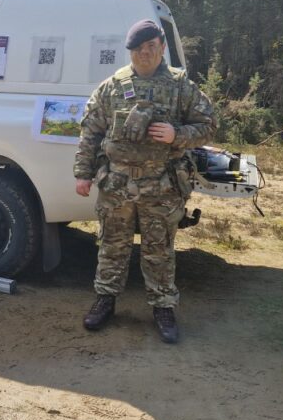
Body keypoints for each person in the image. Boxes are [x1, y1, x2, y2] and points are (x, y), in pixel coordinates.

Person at [74, 19, 216, 343]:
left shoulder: (181, 86)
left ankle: (163, 306)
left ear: (162, 48)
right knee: (112, 245)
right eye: (139, 49)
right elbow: (90, 131)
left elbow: (209, 125)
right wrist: (82, 174)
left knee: (159, 249)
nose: (145, 54)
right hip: (117, 186)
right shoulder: (112, 86)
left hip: (161, 186)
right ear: (131, 52)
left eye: (151, 47)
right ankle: (105, 300)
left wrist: (176, 134)